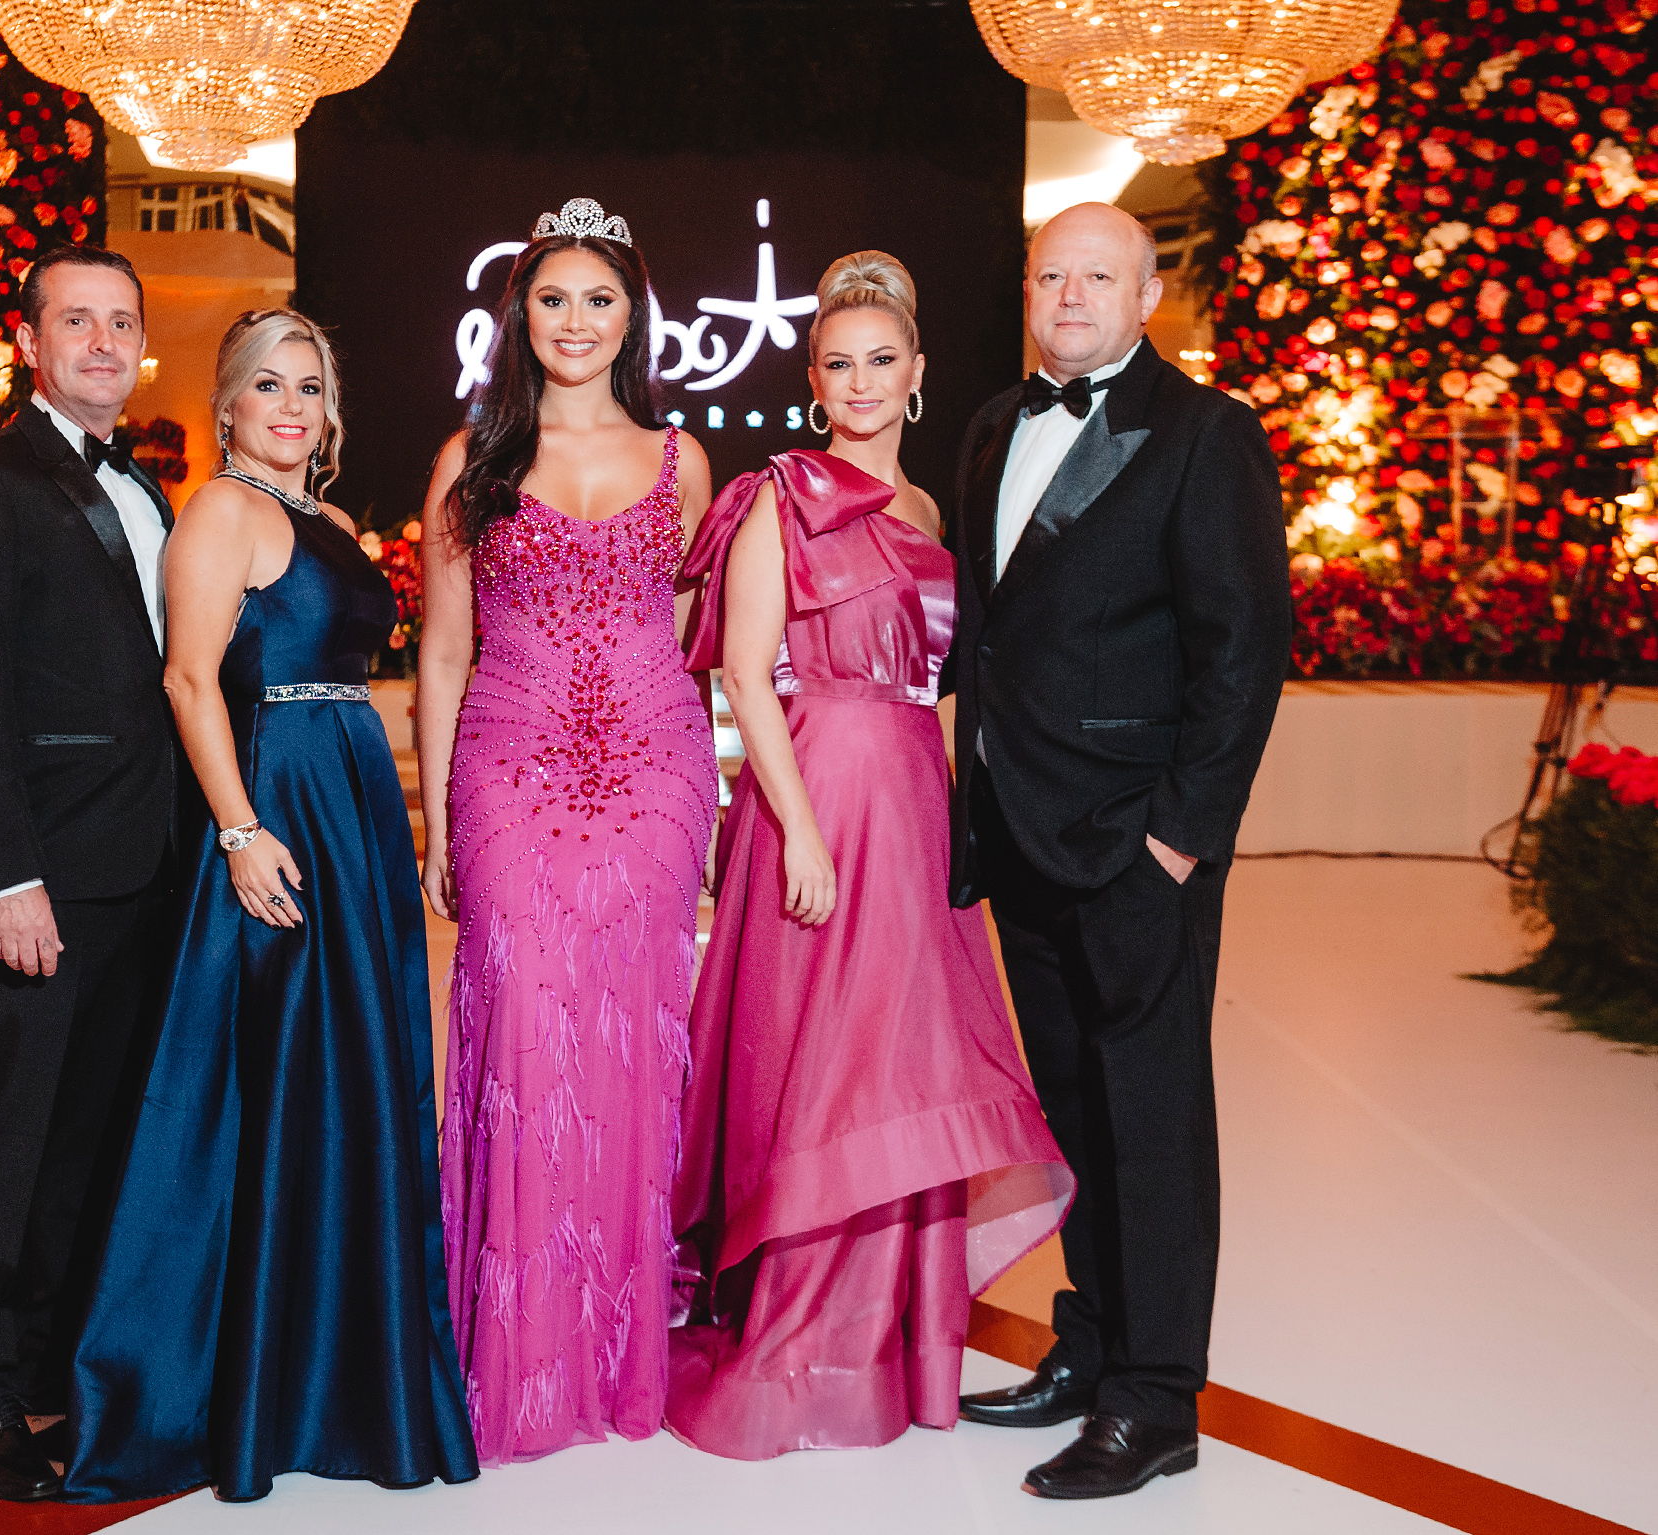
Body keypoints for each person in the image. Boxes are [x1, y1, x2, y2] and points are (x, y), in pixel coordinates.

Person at [62, 309, 479, 1502]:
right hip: (280, 804)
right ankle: (247, 1383)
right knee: (282, 1087)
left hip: (348, 803)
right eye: (266, 387)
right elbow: (190, 678)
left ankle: (350, 1368)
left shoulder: (331, 524)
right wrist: (242, 831)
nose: (289, 406)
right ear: (228, 407)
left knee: (359, 1083)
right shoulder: (219, 514)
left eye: (308, 387)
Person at [666, 252, 1073, 1460]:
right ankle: (800, 1326)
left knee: (903, 1058)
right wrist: (792, 825)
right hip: (820, 790)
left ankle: (891, 1318)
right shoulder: (773, 495)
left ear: (916, 375)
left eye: (878, 361)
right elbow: (743, 670)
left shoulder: (935, 515)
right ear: (812, 380)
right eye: (836, 363)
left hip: (912, 791)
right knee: (822, 1058)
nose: (857, 381)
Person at [948, 202, 1289, 1499]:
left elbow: (1242, 652)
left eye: (1097, 275)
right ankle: (1089, 1348)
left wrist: (1178, 842)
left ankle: (1155, 1400)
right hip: (1021, 837)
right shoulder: (990, 424)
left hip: (1135, 847)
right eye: (1050, 273)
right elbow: (991, 634)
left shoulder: (1205, 435)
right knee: (1074, 1111)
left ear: (1147, 296)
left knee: (1149, 1123)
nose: (1069, 294)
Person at [416, 198, 718, 1464]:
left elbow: (701, 639)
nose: (575, 321)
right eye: (552, 299)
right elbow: (439, 650)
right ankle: (514, 1345)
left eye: (599, 299)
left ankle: (616, 1336)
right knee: (527, 1030)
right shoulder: (466, 462)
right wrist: (436, 814)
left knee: (632, 1044)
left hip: (651, 774)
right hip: (504, 768)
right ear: (518, 315)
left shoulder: (683, 456)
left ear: (630, 317)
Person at [0, 244, 176, 1502]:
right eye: (77, 321)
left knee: (93, 1137)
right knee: (6, 1143)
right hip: (40, 881)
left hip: (145, 869)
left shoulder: (153, 489)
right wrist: (4, 876)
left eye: (121, 323)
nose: (104, 343)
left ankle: (57, 1362)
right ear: (28, 341)